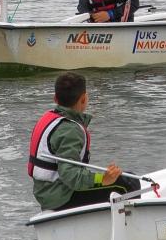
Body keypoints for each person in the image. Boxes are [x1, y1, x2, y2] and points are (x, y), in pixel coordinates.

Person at [28, 72, 142, 211]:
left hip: (46, 193)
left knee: (124, 177)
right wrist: (102, 179)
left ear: (55, 98)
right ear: (84, 99)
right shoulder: (70, 130)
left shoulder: (49, 119)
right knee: (128, 183)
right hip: (60, 197)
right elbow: (70, 176)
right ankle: (132, 227)